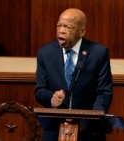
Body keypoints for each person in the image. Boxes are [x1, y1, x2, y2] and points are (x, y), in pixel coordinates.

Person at [34, 8, 113, 141]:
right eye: (59, 25)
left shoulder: (98, 53)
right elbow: (40, 90)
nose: (61, 30)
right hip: (55, 131)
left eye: (68, 27)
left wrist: (91, 118)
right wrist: (52, 99)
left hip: (89, 132)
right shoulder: (45, 53)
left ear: (81, 31)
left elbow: (104, 92)